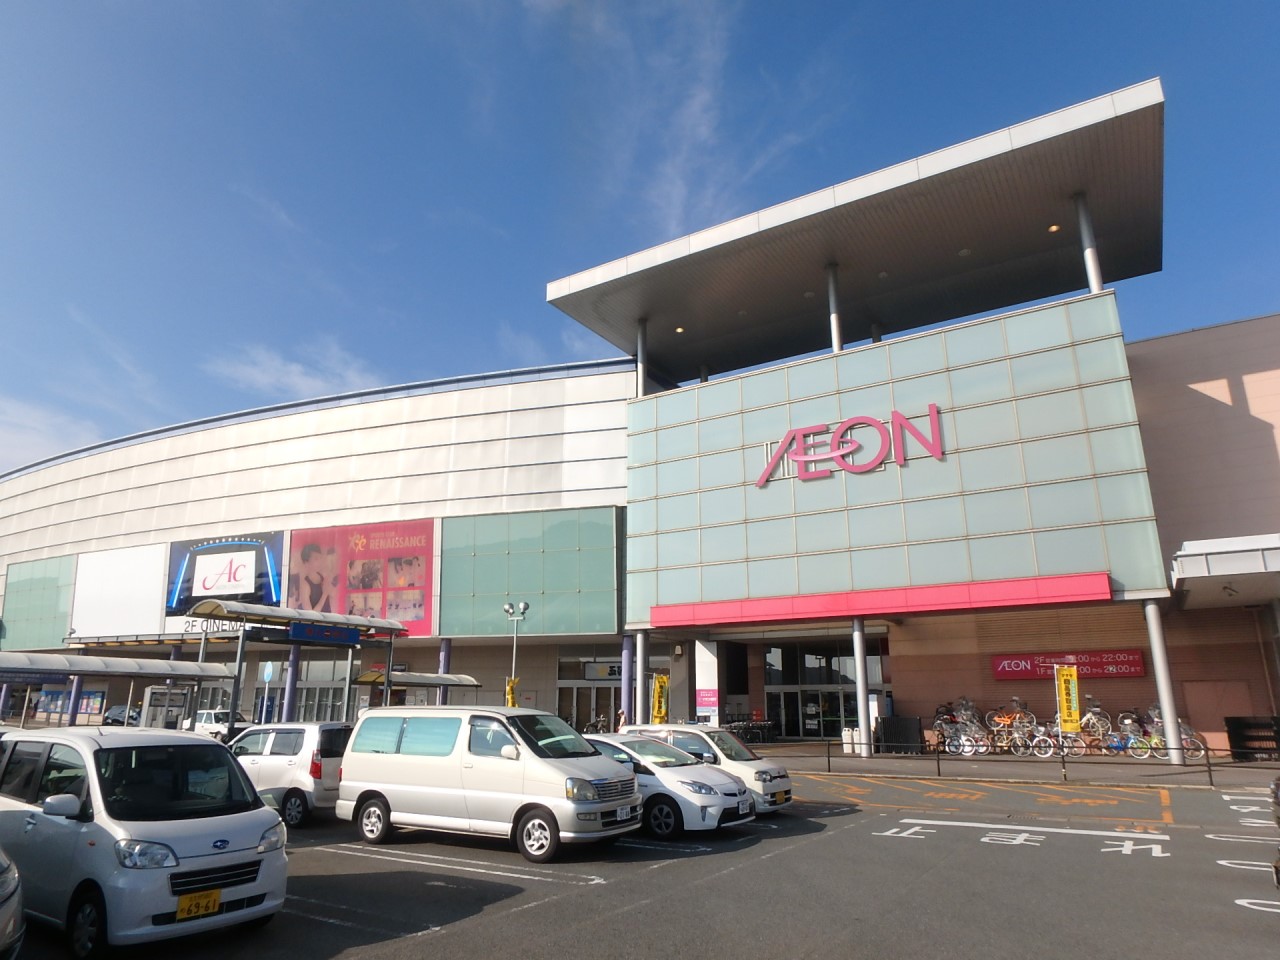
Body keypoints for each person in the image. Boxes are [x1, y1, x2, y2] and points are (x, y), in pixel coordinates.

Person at [296, 543, 334, 612]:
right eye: (316, 559)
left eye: (320, 558)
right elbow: (310, 615)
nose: (320, 561)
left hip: (327, 616)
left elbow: (332, 595)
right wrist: (325, 594)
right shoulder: (305, 585)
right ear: (306, 562)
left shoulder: (322, 576)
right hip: (318, 618)